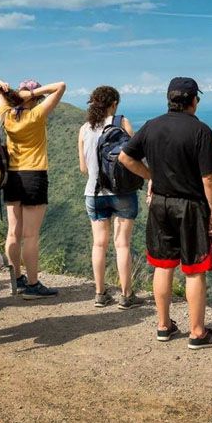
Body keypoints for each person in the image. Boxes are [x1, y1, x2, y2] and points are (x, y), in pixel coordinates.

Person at [119, 77, 212, 350]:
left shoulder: (151, 126)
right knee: (194, 270)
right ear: (193, 101)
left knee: (163, 265)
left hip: (160, 204)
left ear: (169, 100)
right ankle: (197, 332)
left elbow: (125, 157)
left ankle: (164, 325)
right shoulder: (200, 131)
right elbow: (209, 178)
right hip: (190, 206)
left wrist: (150, 176)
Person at [0, 78, 66, 299]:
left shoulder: (5, 115)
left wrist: (7, 89)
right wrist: (33, 94)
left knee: (13, 233)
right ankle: (33, 285)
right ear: (34, 98)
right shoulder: (36, 114)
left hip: (11, 177)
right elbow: (61, 86)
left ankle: (16, 280)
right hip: (33, 175)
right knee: (30, 236)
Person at [78, 86, 144, 309]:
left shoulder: (84, 129)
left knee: (99, 244)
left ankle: (100, 294)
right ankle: (126, 296)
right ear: (114, 104)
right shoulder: (122, 122)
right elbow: (133, 157)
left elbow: (83, 168)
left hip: (93, 193)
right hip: (122, 193)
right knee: (122, 244)